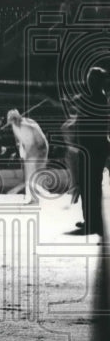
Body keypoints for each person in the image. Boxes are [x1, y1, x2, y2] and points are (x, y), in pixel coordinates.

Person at [66, 66, 109, 235]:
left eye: (91, 79)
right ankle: (94, 221)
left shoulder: (91, 98)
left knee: (87, 186)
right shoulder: (101, 96)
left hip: (90, 149)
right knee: (93, 186)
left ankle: (91, 222)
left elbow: (79, 104)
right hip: (96, 148)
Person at [5, 109, 49, 203]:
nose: (14, 122)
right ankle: (37, 196)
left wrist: (38, 154)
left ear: (18, 118)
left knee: (32, 177)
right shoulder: (14, 126)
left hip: (40, 150)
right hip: (29, 151)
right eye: (12, 120)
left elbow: (41, 141)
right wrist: (22, 152)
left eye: (14, 119)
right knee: (29, 177)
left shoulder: (29, 125)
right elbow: (18, 140)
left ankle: (39, 196)